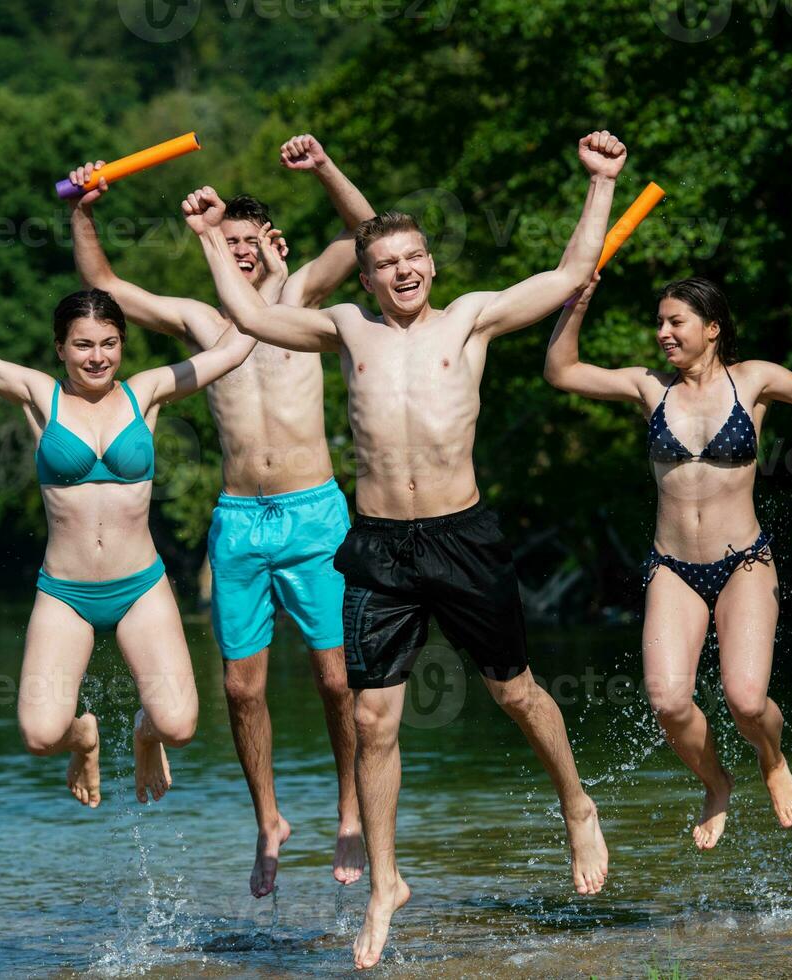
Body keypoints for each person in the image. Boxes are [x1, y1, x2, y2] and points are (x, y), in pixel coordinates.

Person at [187, 130, 629, 970]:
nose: (405, 270)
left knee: (517, 695)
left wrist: (601, 183)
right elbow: (247, 315)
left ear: (431, 262)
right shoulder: (345, 327)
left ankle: (576, 802)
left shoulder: (470, 319)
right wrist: (213, 236)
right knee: (370, 716)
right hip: (380, 548)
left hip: (463, 539)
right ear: (365, 276)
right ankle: (386, 881)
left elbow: (571, 273)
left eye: (415, 256)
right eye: (387, 261)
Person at [0, 221, 258, 809]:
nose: (98, 356)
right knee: (41, 735)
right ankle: (84, 737)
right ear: (60, 348)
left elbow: (239, 343)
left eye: (109, 343)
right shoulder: (41, 397)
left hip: (141, 587)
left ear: (123, 344)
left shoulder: (148, 392)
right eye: (83, 345)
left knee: (180, 726)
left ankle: (145, 733)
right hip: (65, 592)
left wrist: (249, 268)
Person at [67, 134, 374, 894]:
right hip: (240, 518)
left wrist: (324, 168)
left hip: (315, 514)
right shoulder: (204, 322)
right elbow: (103, 281)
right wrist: (81, 209)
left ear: (272, 242)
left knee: (337, 680)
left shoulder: (302, 299)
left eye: (247, 239)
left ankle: (349, 811)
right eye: (224, 239)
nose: (236, 249)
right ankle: (269, 819)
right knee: (242, 689)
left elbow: (365, 235)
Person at [545, 273, 792, 846]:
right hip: (672, 568)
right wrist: (577, 305)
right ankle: (716, 782)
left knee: (746, 701)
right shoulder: (650, 388)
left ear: (712, 329)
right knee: (668, 702)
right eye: (660, 322)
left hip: (743, 561)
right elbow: (561, 371)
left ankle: (770, 756)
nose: (662, 333)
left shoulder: (755, 380)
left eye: (676, 322)